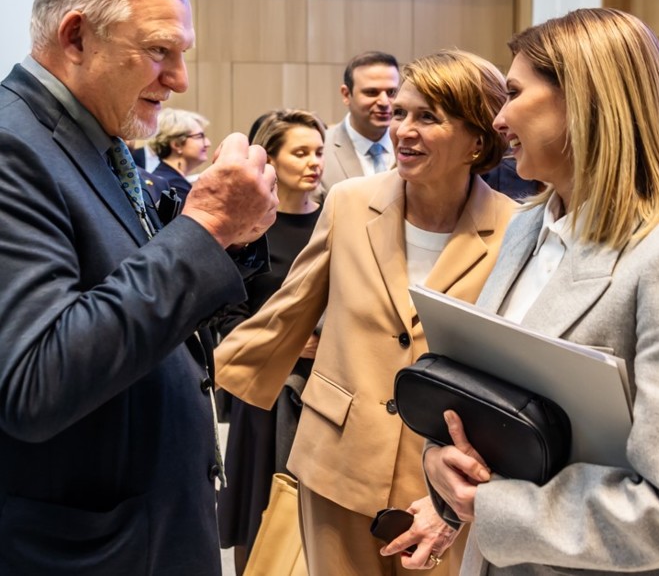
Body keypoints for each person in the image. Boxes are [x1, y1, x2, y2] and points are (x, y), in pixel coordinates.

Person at [0, 0, 277, 575]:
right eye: (159, 52)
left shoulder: (90, 136)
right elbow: (38, 379)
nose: (178, 80)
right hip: (90, 547)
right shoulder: (14, 149)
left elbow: (126, 291)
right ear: (75, 37)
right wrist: (204, 227)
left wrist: (226, 238)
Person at [215, 49, 516, 575]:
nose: (403, 130)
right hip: (337, 457)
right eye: (401, 113)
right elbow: (292, 306)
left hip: (447, 477)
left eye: (427, 117)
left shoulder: (516, 230)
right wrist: (205, 374)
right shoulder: (350, 201)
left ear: (477, 139)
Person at [414, 8, 659, 576]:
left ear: (586, 101)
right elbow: (494, 397)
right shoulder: (529, 225)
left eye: (513, 93)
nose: (497, 119)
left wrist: (491, 505)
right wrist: (443, 463)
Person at [215, 109, 326, 575]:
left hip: (325, 389)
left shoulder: (335, 221)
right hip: (264, 391)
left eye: (319, 151)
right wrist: (283, 340)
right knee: (258, 515)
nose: (314, 162)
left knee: (315, 524)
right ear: (272, 160)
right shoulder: (251, 228)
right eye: (301, 152)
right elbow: (224, 313)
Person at [320, 50, 400, 193]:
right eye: (371, 92)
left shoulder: (414, 147)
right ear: (346, 95)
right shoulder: (320, 149)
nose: (384, 102)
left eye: (391, 92)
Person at [149, 107, 212, 205]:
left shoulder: (164, 177)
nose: (208, 143)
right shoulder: (175, 186)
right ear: (177, 144)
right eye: (200, 137)